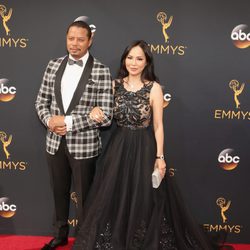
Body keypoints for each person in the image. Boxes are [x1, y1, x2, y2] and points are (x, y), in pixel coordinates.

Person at [72, 40, 226, 250]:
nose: (133, 63)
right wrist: (94, 110)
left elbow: (158, 126)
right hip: (118, 147)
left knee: (144, 197)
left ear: (146, 62)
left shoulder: (154, 89)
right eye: (130, 58)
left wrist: (160, 157)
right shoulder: (113, 84)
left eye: (139, 58)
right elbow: (100, 109)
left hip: (144, 148)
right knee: (114, 196)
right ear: (124, 60)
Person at [35, 20, 113, 250]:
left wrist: (67, 122)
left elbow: (106, 115)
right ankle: (59, 235)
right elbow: (41, 101)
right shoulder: (53, 65)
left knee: (85, 198)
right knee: (58, 192)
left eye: (80, 39)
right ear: (66, 38)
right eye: (71, 38)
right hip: (54, 143)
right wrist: (50, 120)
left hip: (85, 147)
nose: (74, 44)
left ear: (90, 41)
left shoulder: (101, 70)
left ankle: (84, 239)